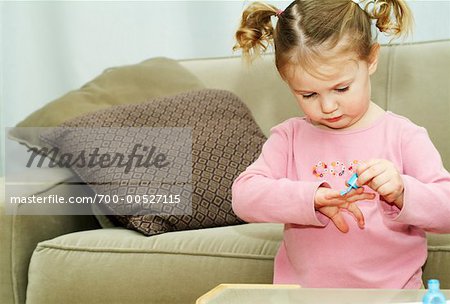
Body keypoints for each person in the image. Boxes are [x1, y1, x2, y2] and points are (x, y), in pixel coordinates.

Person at [231, 0, 450, 289]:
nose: (328, 106)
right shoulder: (289, 137)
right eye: (308, 94)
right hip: (306, 297)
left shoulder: (403, 135)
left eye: (341, 88)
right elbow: (244, 196)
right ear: (286, 80)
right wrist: (310, 198)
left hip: (394, 295)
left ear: (371, 59)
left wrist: (401, 191)